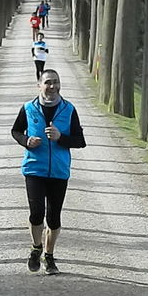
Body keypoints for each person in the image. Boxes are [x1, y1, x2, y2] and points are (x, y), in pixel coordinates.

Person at [11, 69, 86, 275]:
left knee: (54, 218)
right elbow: (15, 131)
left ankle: (49, 256)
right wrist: (26, 141)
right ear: (40, 85)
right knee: (37, 213)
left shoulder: (69, 110)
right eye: (48, 83)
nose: (52, 87)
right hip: (34, 168)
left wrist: (60, 137)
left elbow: (80, 141)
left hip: (59, 171)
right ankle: (36, 247)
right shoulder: (28, 108)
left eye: (56, 83)